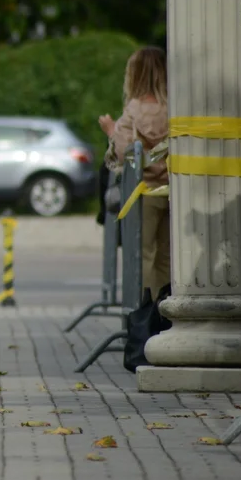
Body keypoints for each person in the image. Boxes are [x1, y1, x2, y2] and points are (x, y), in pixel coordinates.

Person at [99, 46, 170, 296]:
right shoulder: (174, 108)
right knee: (167, 258)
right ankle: (167, 311)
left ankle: (145, 315)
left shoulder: (134, 109)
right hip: (172, 190)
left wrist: (111, 131)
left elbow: (123, 153)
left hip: (144, 192)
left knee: (144, 255)